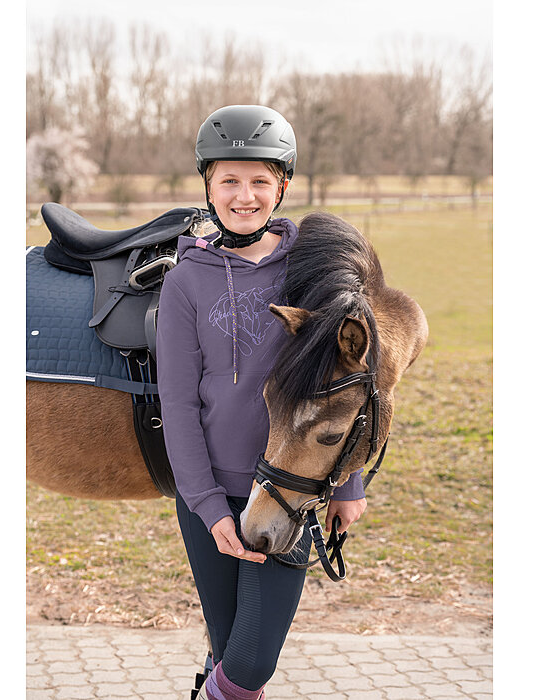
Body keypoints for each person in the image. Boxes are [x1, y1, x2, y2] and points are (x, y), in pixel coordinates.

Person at [156, 104, 367, 700]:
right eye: (229, 180)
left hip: (287, 490)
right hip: (211, 499)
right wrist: (207, 507)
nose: (243, 195)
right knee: (228, 653)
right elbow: (177, 404)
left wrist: (347, 487)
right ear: (207, 185)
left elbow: (345, 388)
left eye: (259, 180)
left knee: (250, 663)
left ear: (282, 185)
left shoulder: (311, 271)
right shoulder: (185, 280)